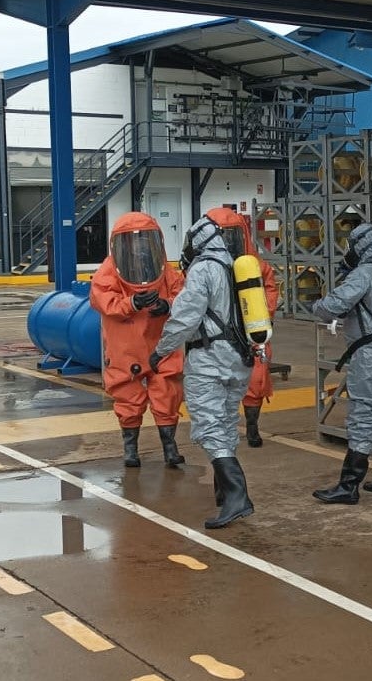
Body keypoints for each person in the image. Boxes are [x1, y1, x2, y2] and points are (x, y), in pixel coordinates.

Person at [154, 216, 257, 529]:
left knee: (208, 426)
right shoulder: (237, 266)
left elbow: (185, 319)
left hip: (209, 359)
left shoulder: (203, 269)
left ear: (196, 242)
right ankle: (224, 493)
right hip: (241, 359)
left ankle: (238, 496)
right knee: (225, 422)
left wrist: (159, 351)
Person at [308, 222, 372, 505]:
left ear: (359, 246)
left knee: (363, 416)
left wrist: (317, 306)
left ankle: (349, 485)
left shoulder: (365, 274)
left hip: (371, 357)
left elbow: (330, 306)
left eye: (351, 246)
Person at [89, 212, 185, 469]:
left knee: (167, 392)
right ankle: (130, 449)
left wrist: (167, 305)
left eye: (145, 240)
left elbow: (183, 297)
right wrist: (130, 303)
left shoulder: (166, 271)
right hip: (126, 344)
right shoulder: (108, 271)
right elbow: (101, 300)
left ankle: (170, 447)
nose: (140, 245)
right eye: (134, 241)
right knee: (127, 394)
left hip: (160, 341)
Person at [205, 207, 279, 448]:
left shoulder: (256, 264)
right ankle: (220, 428)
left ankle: (252, 427)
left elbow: (270, 291)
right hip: (218, 333)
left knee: (256, 380)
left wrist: (261, 317)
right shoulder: (206, 267)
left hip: (251, 330)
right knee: (216, 381)